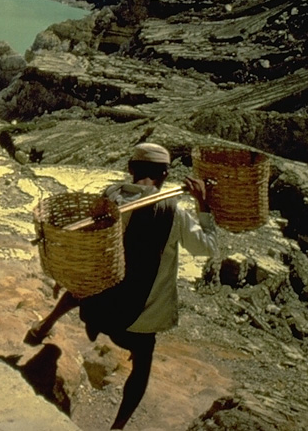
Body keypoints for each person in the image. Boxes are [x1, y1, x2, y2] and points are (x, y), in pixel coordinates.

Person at [25, 142, 217, 429]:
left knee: (87, 285)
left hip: (98, 306)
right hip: (137, 319)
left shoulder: (108, 199)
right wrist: (204, 207)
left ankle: (45, 324)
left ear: (130, 169)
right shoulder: (174, 213)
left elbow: (86, 247)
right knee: (143, 364)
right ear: (165, 174)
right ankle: (118, 426)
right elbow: (208, 248)